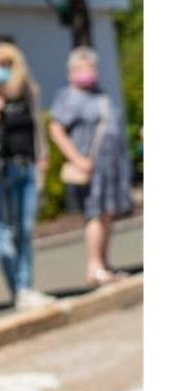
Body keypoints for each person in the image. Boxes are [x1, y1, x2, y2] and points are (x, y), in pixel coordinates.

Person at [0, 42, 56, 310]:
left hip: (26, 165)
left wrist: (43, 157)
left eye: (4, 65)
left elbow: (37, 126)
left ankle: (27, 286)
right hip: (0, 170)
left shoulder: (28, 91)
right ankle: (17, 289)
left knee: (25, 230)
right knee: (6, 231)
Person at [49, 47, 134, 285]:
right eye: (83, 67)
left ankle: (104, 265)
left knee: (108, 214)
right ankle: (94, 266)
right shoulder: (69, 97)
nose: (89, 72)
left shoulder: (100, 95)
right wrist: (77, 159)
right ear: (72, 71)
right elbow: (56, 130)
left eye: (92, 67)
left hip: (110, 167)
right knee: (95, 214)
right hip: (90, 167)